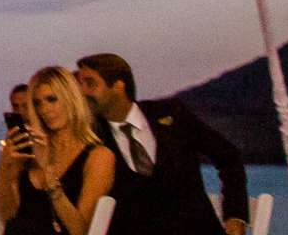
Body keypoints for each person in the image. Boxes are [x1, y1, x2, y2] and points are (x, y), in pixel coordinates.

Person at [75, 52, 249, 235]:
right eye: (80, 85)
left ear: (119, 85)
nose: (82, 92)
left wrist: (235, 217)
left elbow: (229, 156)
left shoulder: (172, 114)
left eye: (90, 83)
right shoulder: (91, 139)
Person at [0, 66, 115, 235]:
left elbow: (80, 230)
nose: (44, 109)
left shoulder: (98, 156)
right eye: (38, 103)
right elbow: (8, 216)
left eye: (52, 99)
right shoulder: (31, 150)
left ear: (71, 99)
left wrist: (48, 173)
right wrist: (5, 169)